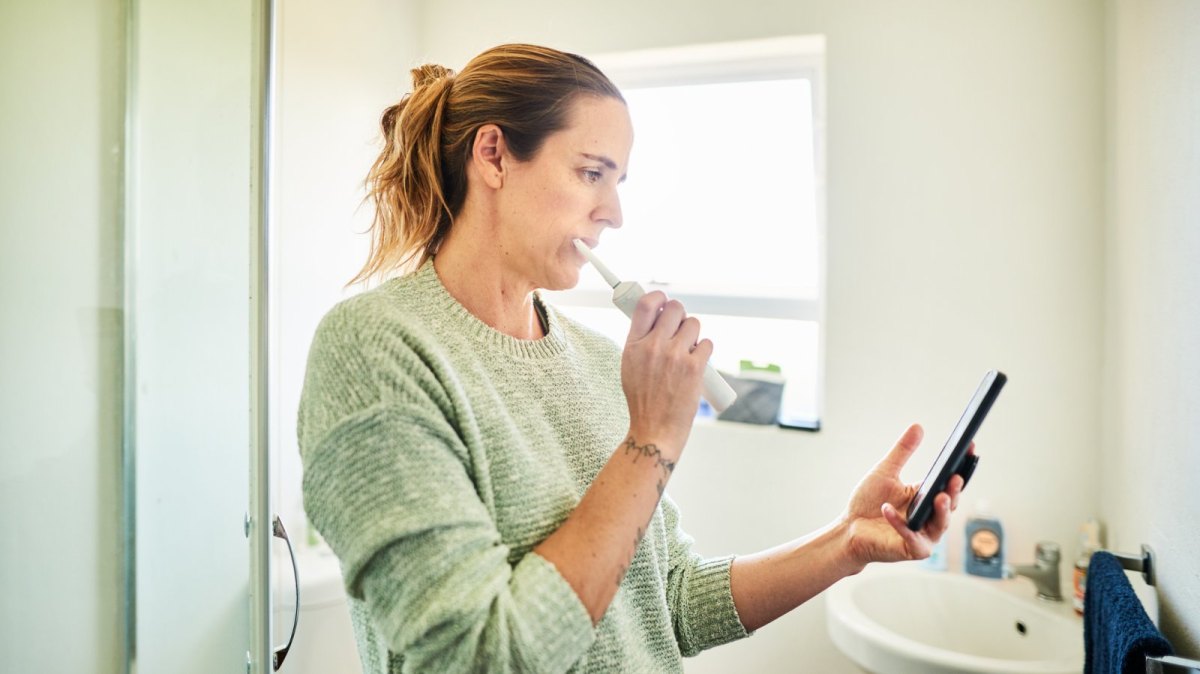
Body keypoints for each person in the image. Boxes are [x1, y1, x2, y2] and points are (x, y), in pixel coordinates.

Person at [297, 43, 966, 673]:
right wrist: (651, 438)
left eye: (618, 182)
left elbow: (664, 601)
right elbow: (477, 656)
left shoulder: (594, 359)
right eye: (592, 173)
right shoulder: (377, 349)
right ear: (494, 155)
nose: (612, 212)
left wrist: (844, 544)